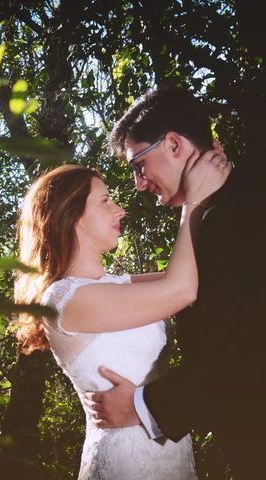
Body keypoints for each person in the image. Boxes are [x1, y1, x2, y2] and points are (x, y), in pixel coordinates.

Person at [14, 153, 228, 479]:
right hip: (127, 462)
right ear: (73, 216)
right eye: (105, 201)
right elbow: (182, 290)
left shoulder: (111, 285)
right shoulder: (64, 299)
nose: (120, 209)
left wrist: (207, 172)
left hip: (168, 448)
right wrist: (194, 198)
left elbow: (193, 274)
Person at [88, 86, 266, 479]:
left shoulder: (236, 219)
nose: (138, 183)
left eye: (138, 165)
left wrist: (141, 406)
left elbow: (244, 353)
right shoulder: (221, 209)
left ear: (173, 144)